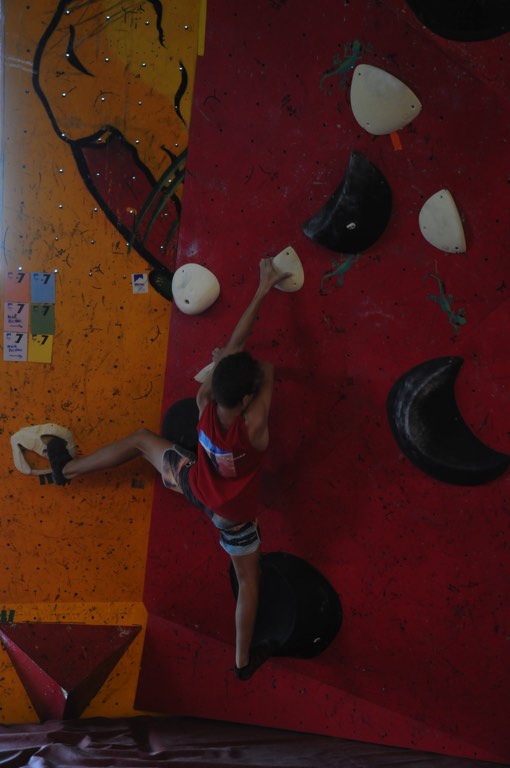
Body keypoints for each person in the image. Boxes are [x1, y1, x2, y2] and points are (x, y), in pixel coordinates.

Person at [46, 257, 290, 680]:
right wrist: (257, 311)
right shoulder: (254, 429)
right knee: (249, 582)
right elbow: (266, 370)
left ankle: (65, 471)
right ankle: (242, 662)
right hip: (231, 520)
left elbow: (234, 349)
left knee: (142, 439)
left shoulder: (204, 403)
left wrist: (255, 301)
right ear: (247, 401)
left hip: (194, 481)